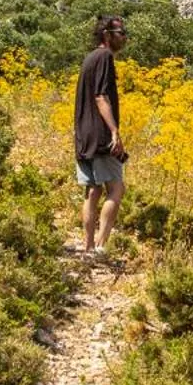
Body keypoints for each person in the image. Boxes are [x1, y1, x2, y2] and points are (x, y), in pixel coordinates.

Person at [74, 15, 127, 254]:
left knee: (92, 191)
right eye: (121, 33)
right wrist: (114, 131)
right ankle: (100, 246)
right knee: (116, 189)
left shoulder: (89, 58)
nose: (124, 38)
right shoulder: (105, 57)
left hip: (83, 135)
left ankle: (86, 247)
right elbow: (100, 96)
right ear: (107, 35)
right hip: (100, 134)